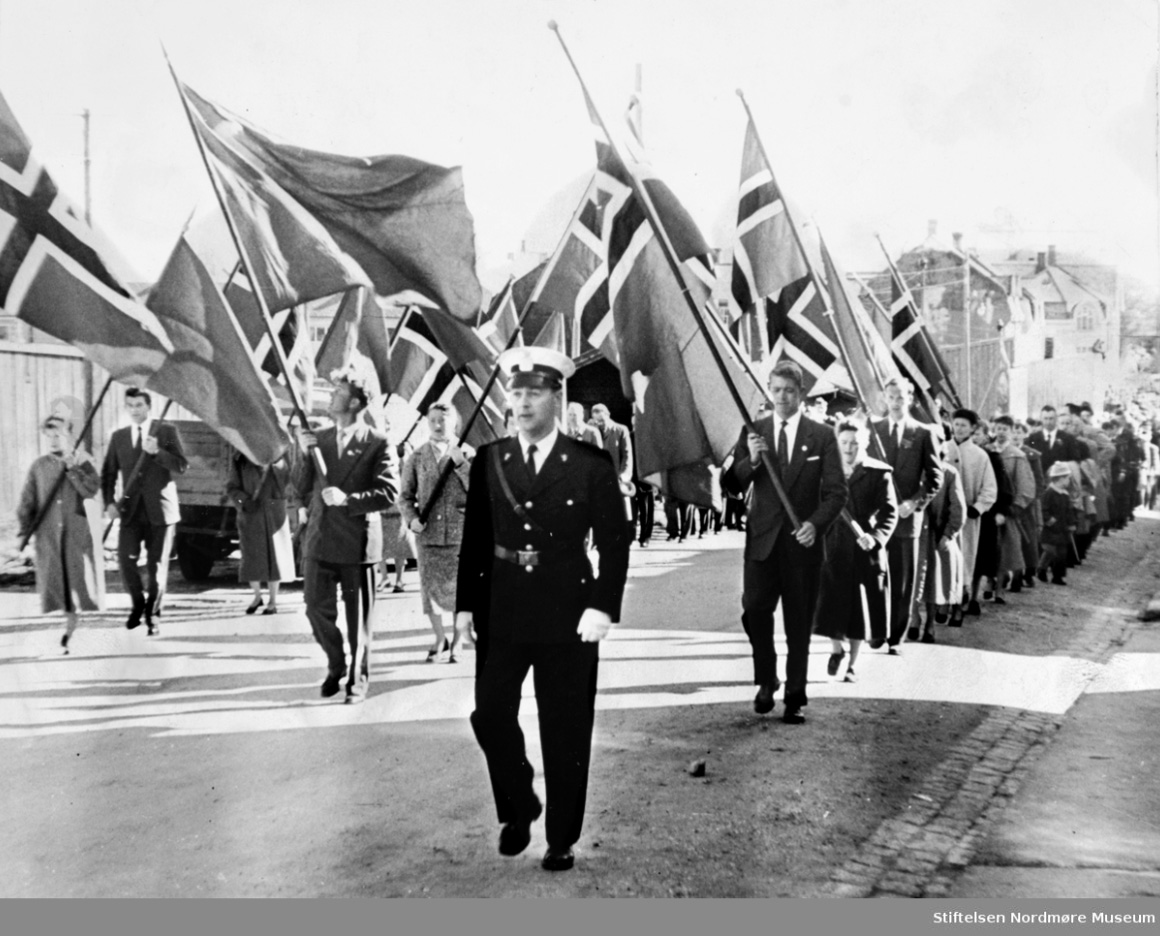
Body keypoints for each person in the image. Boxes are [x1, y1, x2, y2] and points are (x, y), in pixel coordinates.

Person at [456, 346, 630, 873]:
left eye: (535, 392)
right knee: (489, 715)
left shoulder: (589, 465)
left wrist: (603, 605)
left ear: (557, 398)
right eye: (516, 392)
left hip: (568, 611)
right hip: (502, 608)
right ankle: (521, 805)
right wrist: (465, 607)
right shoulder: (492, 459)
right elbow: (477, 539)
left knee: (566, 727)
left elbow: (616, 542)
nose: (523, 402)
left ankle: (560, 837)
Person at [721, 360, 847, 723]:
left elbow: (837, 493)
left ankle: (795, 695)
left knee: (798, 622)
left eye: (789, 391)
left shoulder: (821, 436)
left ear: (801, 393)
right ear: (769, 390)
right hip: (762, 544)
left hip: (802, 546)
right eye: (775, 390)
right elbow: (731, 486)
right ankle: (767, 678)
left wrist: (815, 525)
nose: (782, 397)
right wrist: (754, 461)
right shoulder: (754, 431)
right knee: (755, 610)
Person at [295, 370, 398, 704]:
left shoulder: (377, 441)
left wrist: (349, 499)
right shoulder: (318, 440)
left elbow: (389, 492)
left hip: (357, 545)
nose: (330, 395)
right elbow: (298, 486)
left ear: (354, 402)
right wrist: (301, 453)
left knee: (358, 622)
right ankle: (336, 664)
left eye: (337, 391)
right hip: (320, 541)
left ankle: (358, 681)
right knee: (314, 608)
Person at [813, 422, 897, 683]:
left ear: (866, 443)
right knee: (832, 604)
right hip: (833, 546)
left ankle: (852, 665)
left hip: (864, 550)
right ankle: (836, 649)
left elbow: (889, 512)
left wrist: (875, 538)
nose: (849, 448)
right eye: (845, 442)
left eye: (855, 443)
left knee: (860, 610)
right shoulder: (826, 471)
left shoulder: (878, 473)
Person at [100, 387, 187, 635]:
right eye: (130, 405)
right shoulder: (119, 437)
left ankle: (154, 615)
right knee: (126, 562)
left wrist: (157, 452)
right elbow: (107, 474)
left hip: (161, 510)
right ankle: (138, 604)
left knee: (156, 566)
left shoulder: (165, 431)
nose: (135, 410)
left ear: (148, 406)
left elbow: (182, 465)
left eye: (139, 405)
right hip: (130, 511)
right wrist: (108, 503)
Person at [17, 414, 102, 653]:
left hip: (75, 534)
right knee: (56, 585)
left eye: (58, 435)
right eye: (49, 436)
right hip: (48, 535)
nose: (54, 440)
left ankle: (75, 631)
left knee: (79, 583)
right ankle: (67, 630)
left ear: (68, 435)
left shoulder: (82, 460)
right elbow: (28, 500)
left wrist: (72, 469)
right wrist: (24, 529)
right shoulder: (39, 466)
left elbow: (91, 489)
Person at [868, 377, 942, 650]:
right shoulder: (872, 430)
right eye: (891, 396)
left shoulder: (922, 433)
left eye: (901, 397)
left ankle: (894, 635)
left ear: (910, 399)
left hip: (907, 519)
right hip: (876, 519)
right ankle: (876, 629)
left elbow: (936, 477)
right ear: (884, 398)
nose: (896, 402)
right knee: (875, 577)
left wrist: (915, 502)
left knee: (901, 581)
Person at [399, 402, 474, 664]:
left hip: (459, 532)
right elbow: (405, 497)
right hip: (428, 534)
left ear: (454, 422)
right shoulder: (417, 456)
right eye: (433, 420)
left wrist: (462, 464)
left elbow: (479, 490)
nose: (438, 425)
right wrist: (411, 520)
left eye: (443, 420)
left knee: (459, 592)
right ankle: (439, 638)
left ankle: (457, 641)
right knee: (430, 592)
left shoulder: (467, 453)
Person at [226, 450, 296, 615]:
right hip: (251, 513)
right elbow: (232, 487)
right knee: (252, 557)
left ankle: (273, 601)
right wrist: (244, 501)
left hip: (274, 512)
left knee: (275, 557)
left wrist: (274, 464)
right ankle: (257, 597)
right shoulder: (240, 458)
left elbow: (288, 481)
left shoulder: (279, 455)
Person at [946, 409, 997, 621]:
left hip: (968, 518)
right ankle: (942, 604)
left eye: (964, 425)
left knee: (965, 559)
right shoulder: (942, 449)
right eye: (956, 424)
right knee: (944, 559)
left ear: (972, 428)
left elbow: (989, 488)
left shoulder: (980, 455)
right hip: (944, 516)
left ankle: (960, 603)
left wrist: (978, 507)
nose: (959, 429)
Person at [916, 437, 966, 638]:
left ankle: (929, 622)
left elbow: (958, 508)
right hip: (915, 534)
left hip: (936, 535)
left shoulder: (949, 473)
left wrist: (948, 534)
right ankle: (913, 618)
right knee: (913, 580)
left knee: (933, 582)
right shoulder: (914, 472)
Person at [990, 416, 1036, 596]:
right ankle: (988, 582)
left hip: (1006, 509)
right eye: (998, 428)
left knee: (1005, 549)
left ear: (1011, 431)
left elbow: (1025, 484)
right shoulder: (986, 451)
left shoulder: (1017, 456)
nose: (1001, 432)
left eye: (1005, 429)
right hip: (987, 507)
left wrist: (1015, 507)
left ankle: (1000, 587)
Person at [589, 403, 635, 524]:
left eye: (602, 420)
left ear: (608, 415)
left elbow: (627, 456)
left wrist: (623, 476)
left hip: (616, 478)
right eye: (597, 421)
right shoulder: (592, 431)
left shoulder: (621, 430)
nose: (600, 423)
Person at [1039, 462, 1075, 584]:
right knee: (1050, 550)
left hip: (1062, 529)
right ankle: (1041, 569)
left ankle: (1058, 576)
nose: (1069, 481)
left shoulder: (1065, 495)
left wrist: (1071, 523)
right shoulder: (1049, 493)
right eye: (1068, 478)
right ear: (1060, 478)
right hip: (1051, 528)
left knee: (1062, 553)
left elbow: (1069, 511)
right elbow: (1043, 509)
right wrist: (1049, 520)